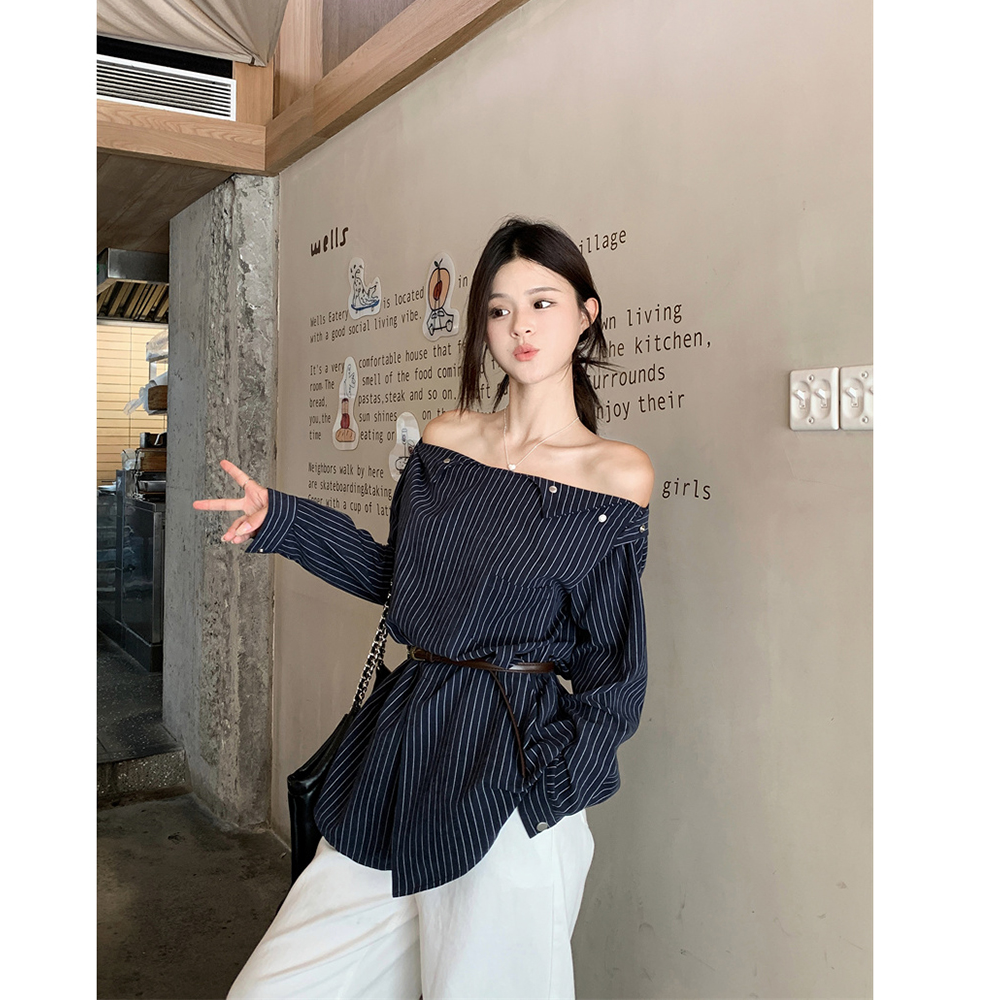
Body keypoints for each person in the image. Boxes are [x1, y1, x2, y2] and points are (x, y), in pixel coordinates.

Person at [193, 217, 655, 999]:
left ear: (587, 315)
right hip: (404, 744)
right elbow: (397, 578)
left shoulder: (615, 475)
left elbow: (615, 671)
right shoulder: (447, 441)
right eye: (500, 309)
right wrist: (284, 521)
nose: (521, 326)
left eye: (543, 303)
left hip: (514, 771)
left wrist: (549, 791)